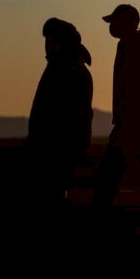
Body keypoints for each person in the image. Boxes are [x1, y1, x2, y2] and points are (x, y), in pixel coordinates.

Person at [93, 4, 140, 206]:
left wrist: (124, 122)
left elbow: (135, 89)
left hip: (134, 125)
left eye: (115, 21)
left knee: (107, 175)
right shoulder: (136, 45)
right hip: (139, 124)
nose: (112, 26)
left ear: (127, 22)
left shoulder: (131, 46)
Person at [27, 18, 94, 202]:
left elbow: (77, 116)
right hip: (45, 149)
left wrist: (68, 150)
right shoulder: (56, 66)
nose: (49, 46)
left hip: (57, 151)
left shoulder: (72, 71)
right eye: (48, 41)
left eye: (55, 42)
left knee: (52, 197)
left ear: (67, 43)